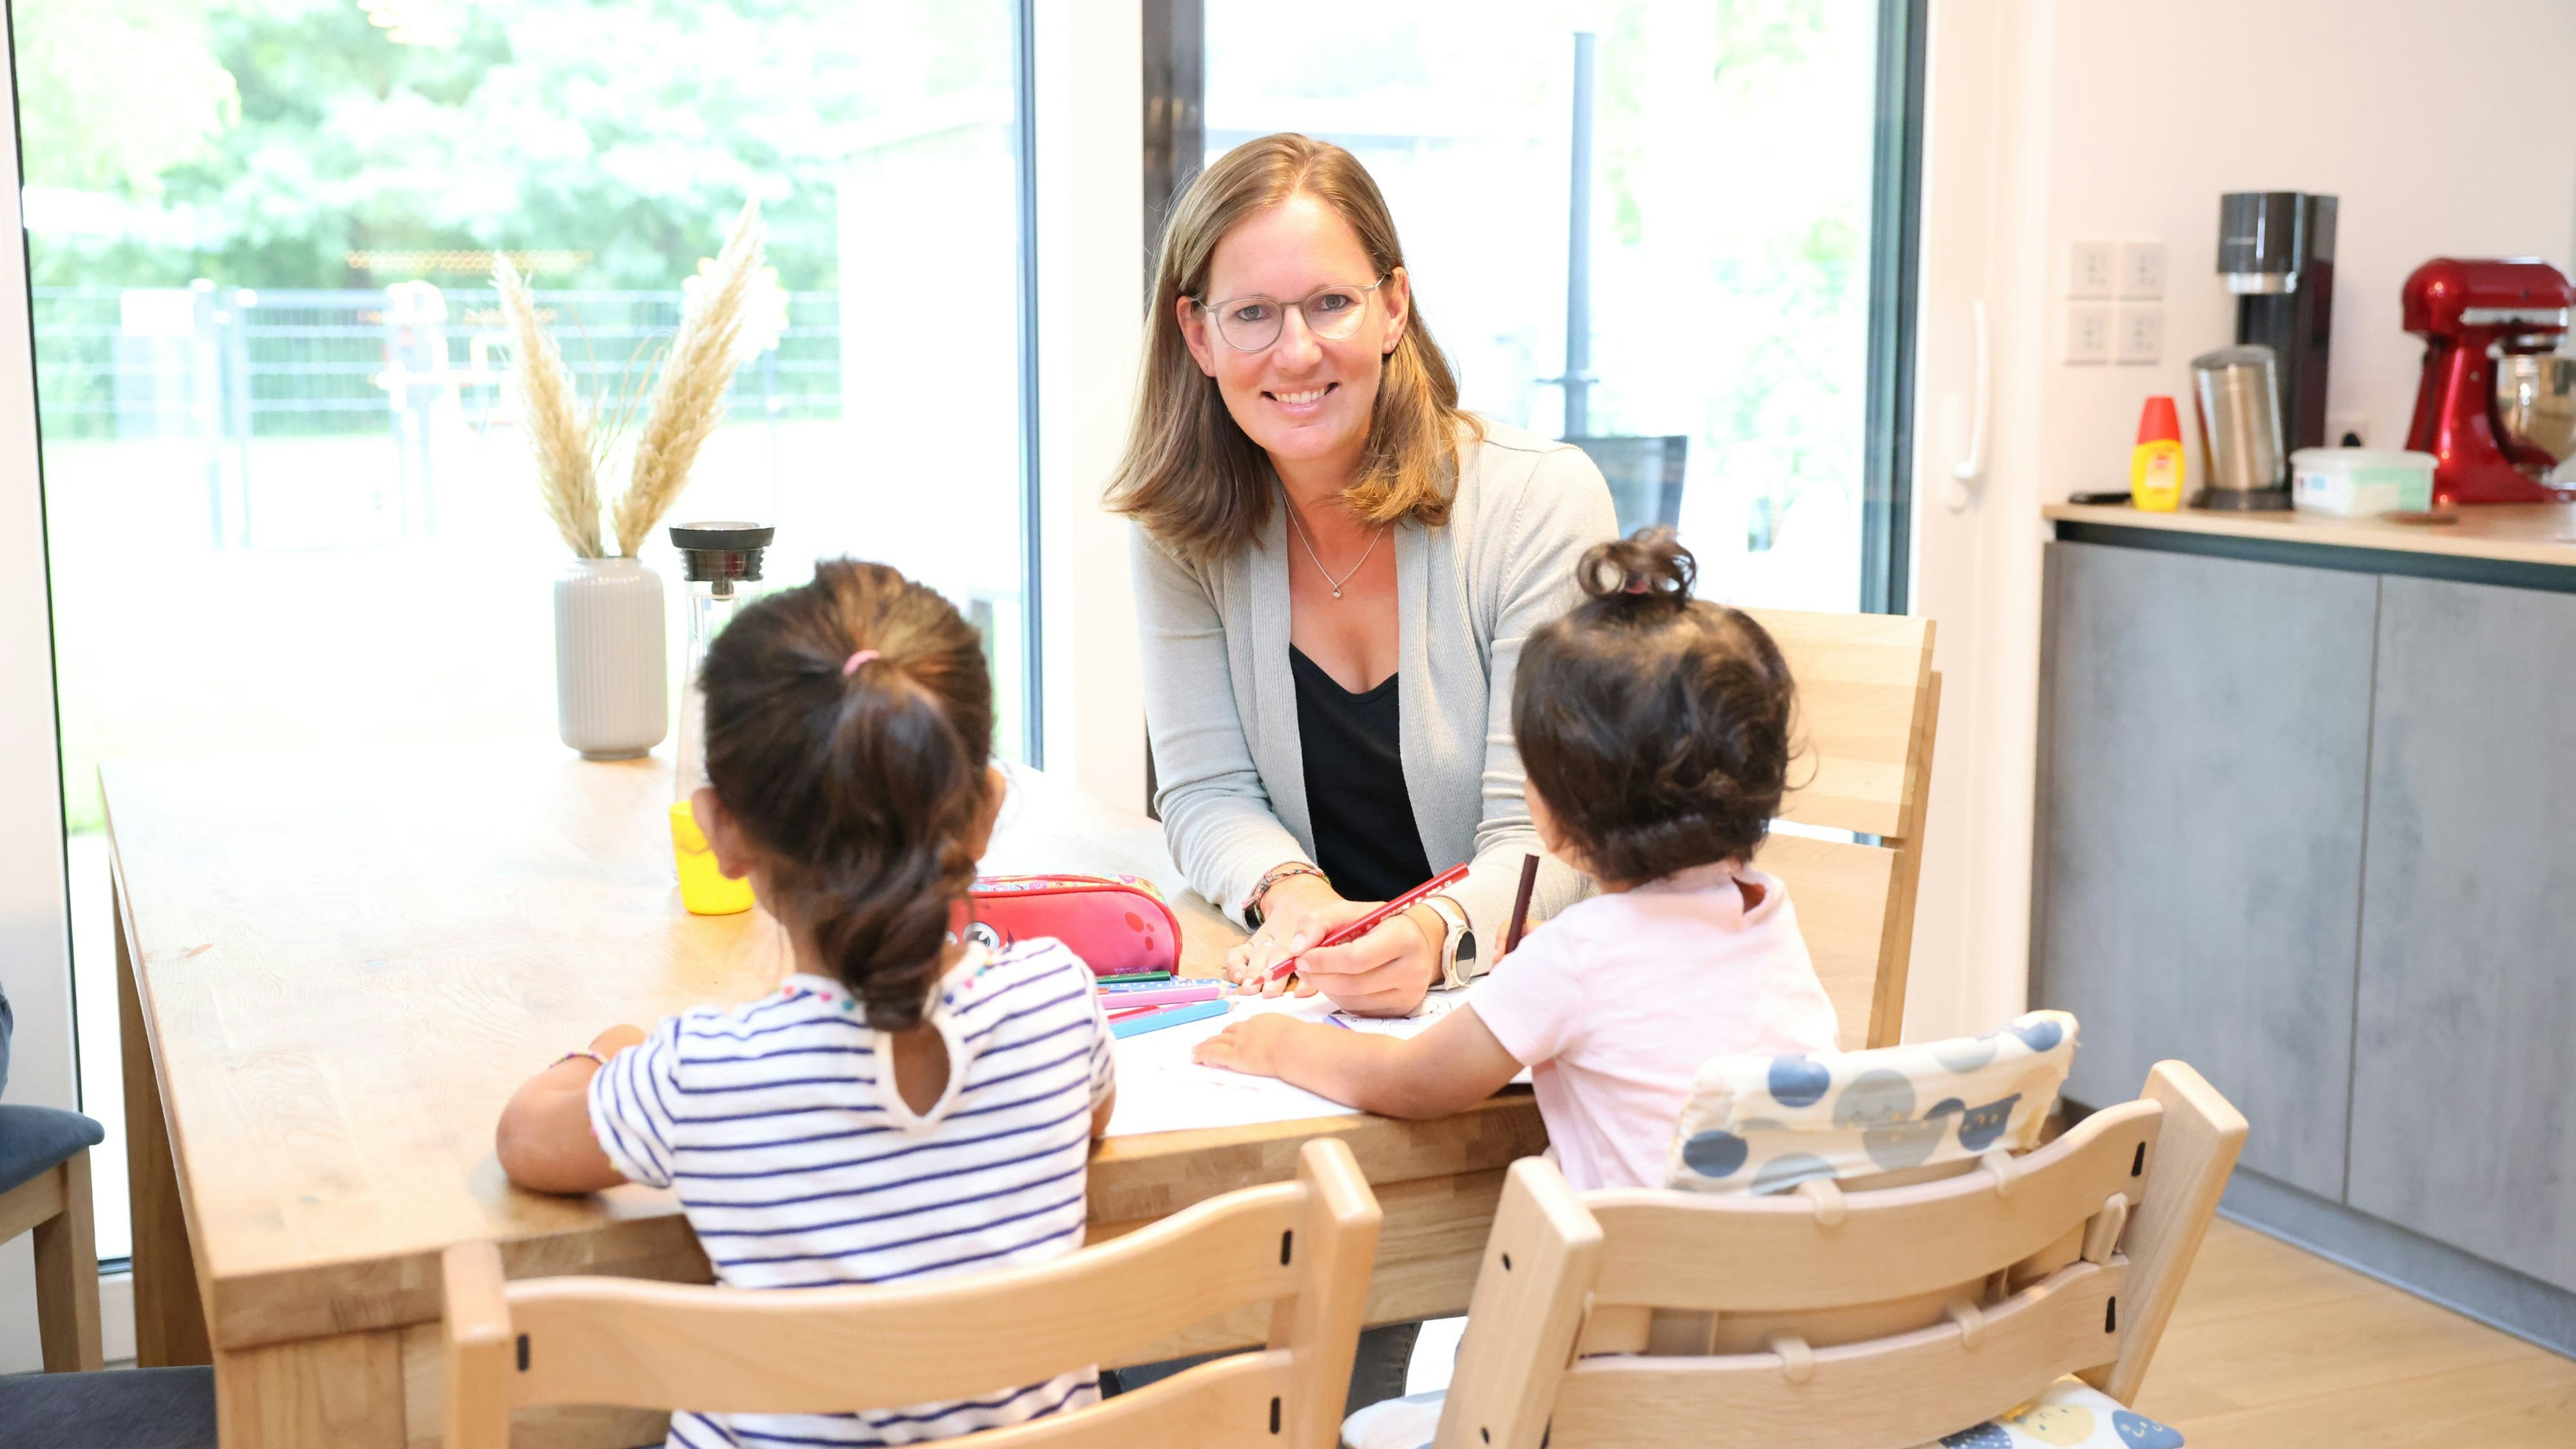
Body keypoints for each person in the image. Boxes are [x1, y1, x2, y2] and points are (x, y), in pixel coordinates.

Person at [494, 560, 1117, 1449]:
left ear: (721, 832)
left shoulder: (701, 1073)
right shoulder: (1059, 997)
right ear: (984, 812)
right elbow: (1089, 1118)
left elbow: (526, 1137)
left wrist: (613, 1053)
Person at [1111, 132, 1616, 1024]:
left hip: (1528, 1015)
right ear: (1198, 334)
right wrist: (1294, 896)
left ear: (1392, 309)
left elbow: (1548, 838)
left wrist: (1428, 935)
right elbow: (1205, 791)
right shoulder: (1180, 530)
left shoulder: (1538, 501)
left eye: (1332, 303)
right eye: (1252, 313)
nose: (1297, 351)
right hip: (1320, 1006)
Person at [1193, 531, 1841, 1193]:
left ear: (1560, 805)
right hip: (1788, 1246)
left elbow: (1413, 1083)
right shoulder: (1767, 911)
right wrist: (1544, 970)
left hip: (1630, 1258)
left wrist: (1282, 1045)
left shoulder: (1576, 955)